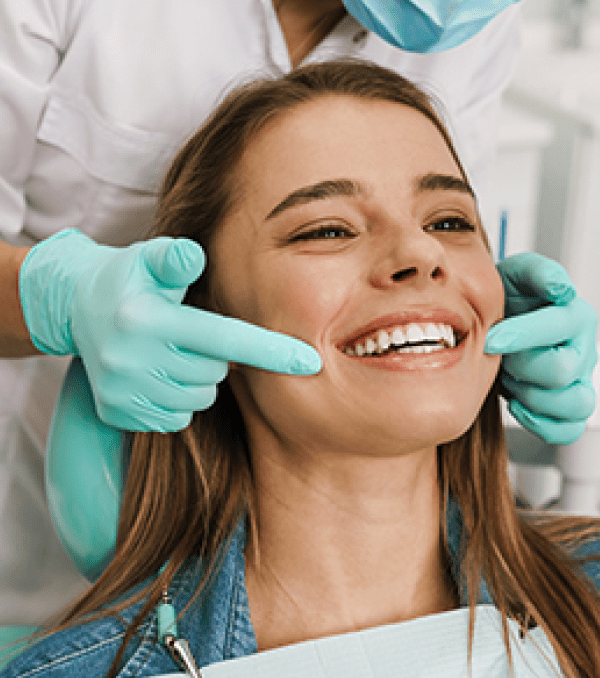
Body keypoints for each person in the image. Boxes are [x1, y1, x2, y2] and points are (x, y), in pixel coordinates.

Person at [0, 0, 597, 628]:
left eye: (447, 223)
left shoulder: (476, 22)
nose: (422, 253)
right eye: (327, 230)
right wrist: (55, 298)